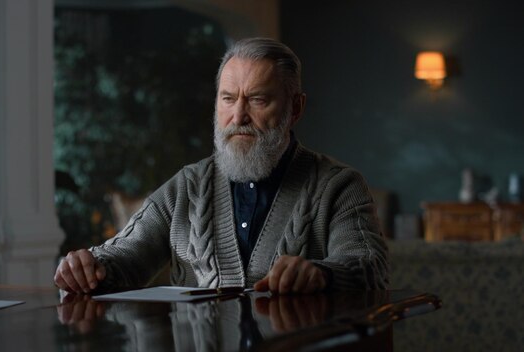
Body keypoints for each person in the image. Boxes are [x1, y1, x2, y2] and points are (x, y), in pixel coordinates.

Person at [54, 37, 389, 295]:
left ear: (295, 108)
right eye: (228, 99)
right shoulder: (185, 185)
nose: (238, 116)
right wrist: (90, 266)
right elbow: (128, 254)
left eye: (258, 99)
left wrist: (323, 274)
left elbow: (368, 265)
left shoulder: (339, 186)